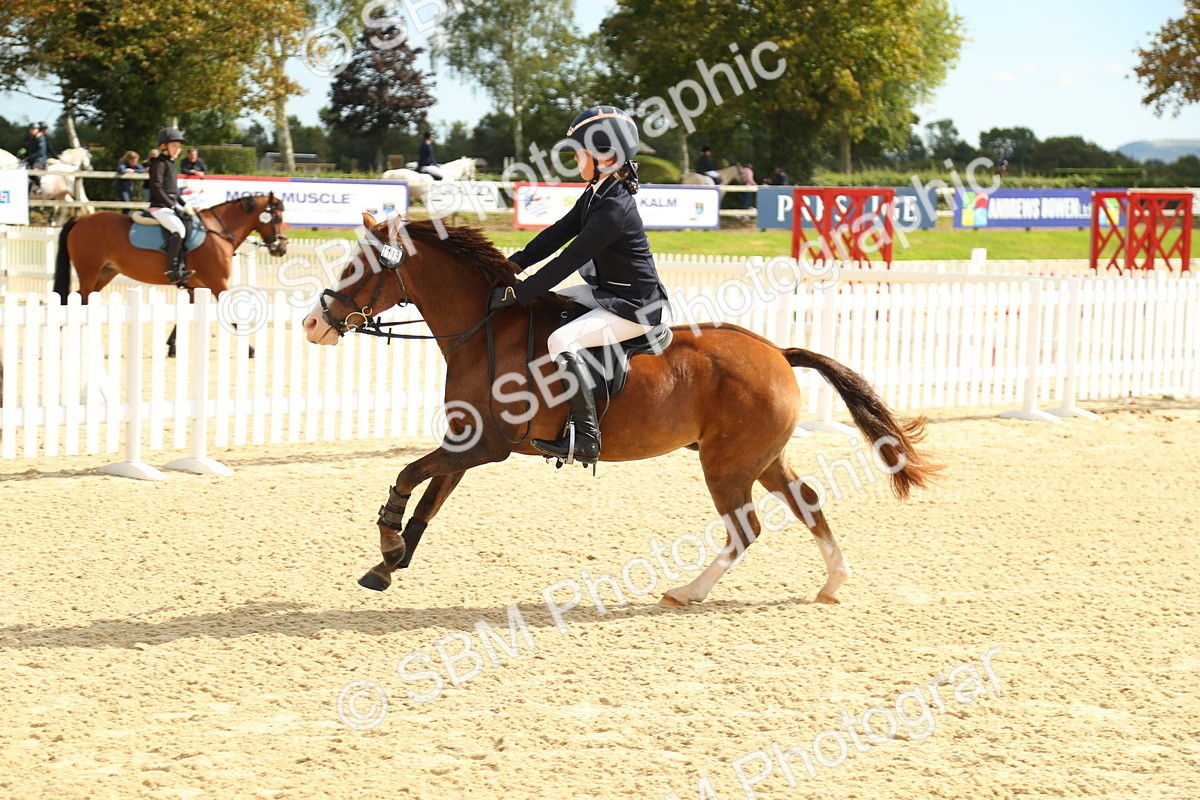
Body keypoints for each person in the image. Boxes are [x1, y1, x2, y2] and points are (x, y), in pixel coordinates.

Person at [488, 105, 668, 466]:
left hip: (635, 306)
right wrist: (512, 265)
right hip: (610, 294)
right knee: (550, 305)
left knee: (561, 339)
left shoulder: (614, 208)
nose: (574, 158)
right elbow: (556, 234)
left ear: (606, 156)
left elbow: (567, 260)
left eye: (580, 152)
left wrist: (519, 292)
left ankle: (586, 436)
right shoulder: (597, 192)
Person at [146, 127, 194, 285]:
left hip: (169, 205)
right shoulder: (158, 164)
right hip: (159, 207)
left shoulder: (171, 164)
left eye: (179, 147)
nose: (178, 150)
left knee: (188, 223)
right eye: (174, 146)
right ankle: (172, 269)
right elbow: (157, 188)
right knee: (178, 229)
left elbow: (174, 190)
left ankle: (183, 263)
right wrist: (172, 206)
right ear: (163, 146)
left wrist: (184, 204)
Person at [17, 123, 49, 193]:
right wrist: (24, 155)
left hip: (39, 159)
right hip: (32, 159)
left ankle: (39, 187)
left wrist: (30, 157)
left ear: (37, 130)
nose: (31, 131)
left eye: (33, 129)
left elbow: (41, 152)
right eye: (31, 129)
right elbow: (29, 150)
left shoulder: (41, 138)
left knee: (34, 170)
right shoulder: (32, 139)